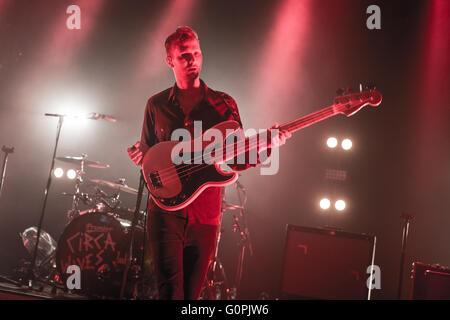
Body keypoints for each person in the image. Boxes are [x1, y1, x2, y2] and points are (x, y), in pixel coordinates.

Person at [127, 26, 291, 300]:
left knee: (192, 296)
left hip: (206, 213)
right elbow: (148, 151)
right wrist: (139, 155)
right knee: (170, 292)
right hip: (166, 211)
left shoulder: (223, 104)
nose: (192, 60)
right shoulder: (156, 104)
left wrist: (267, 145)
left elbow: (237, 159)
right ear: (170, 61)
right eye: (184, 56)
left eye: (196, 53)